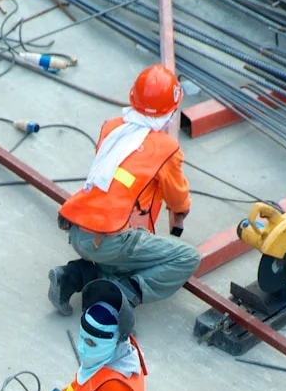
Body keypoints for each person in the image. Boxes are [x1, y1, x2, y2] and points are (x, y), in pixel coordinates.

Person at [49, 64, 200, 316]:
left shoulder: (112, 127)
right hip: (108, 240)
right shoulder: (166, 148)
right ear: (171, 110)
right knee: (186, 258)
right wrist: (181, 211)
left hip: (77, 228)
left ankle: (71, 277)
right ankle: (123, 293)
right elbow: (176, 198)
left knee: (126, 252)